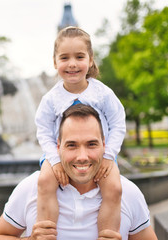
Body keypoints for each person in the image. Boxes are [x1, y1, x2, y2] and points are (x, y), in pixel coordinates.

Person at [0, 104, 157, 240]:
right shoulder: (32, 187)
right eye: (72, 145)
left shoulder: (128, 192)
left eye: (91, 144)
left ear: (104, 145)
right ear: (58, 147)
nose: (82, 157)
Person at [35, 26, 126, 235]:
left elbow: (118, 123)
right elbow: (43, 131)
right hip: (61, 155)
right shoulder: (50, 99)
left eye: (79, 56)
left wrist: (109, 155)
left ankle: (107, 235)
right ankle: (46, 234)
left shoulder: (102, 93)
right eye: (64, 58)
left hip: (99, 155)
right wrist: (55, 161)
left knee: (114, 188)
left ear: (91, 59)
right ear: (55, 61)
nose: (72, 64)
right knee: (45, 181)